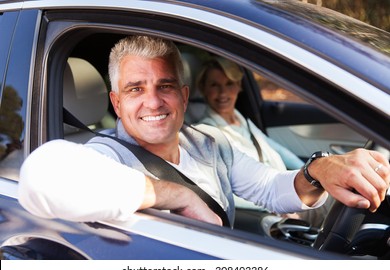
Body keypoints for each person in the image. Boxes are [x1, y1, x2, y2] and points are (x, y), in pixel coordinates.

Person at [18, 35, 389, 228]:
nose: (153, 102)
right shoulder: (106, 155)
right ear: (116, 103)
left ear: (182, 96)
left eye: (165, 86)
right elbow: (40, 177)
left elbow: (269, 189)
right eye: (135, 89)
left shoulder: (210, 143)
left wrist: (318, 171)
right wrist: (173, 194)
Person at [196, 57, 332, 227]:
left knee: (337, 197)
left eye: (229, 83)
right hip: (270, 208)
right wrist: (275, 208)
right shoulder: (207, 135)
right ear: (203, 89)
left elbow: (281, 151)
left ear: (239, 87)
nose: (223, 92)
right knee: (339, 212)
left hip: (285, 190)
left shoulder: (242, 120)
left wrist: (311, 174)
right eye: (214, 85)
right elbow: (225, 189)